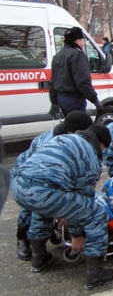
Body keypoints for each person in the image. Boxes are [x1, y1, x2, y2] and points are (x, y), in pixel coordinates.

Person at [10, 124, 113, 290]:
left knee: (42, 207)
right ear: (101, 144)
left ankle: (39, 258)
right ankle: (94, 274)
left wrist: (64, 212)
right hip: (43, 193)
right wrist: (77, 234)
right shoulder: (90, 157)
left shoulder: (63, 139)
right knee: (96, 212)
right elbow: (83, 202)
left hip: (18, 187)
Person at [12, 110, 93, 261]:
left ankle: (42, 248)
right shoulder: (50, 141)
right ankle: (23, 239)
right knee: (35, 209)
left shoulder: (69, 139)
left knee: (51, 203)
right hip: (26, 175)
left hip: (43, 178)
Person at [48, 27, 104, 117]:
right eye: (83, 40)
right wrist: (95, 100)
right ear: (77, 41)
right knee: (78, 127)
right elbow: (83, 81)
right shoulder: (77, 55)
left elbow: (53, 81)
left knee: (70, 127)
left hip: (61, 98)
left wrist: (54, 102)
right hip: (74, 99)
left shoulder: (58, 56)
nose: (84, 42)